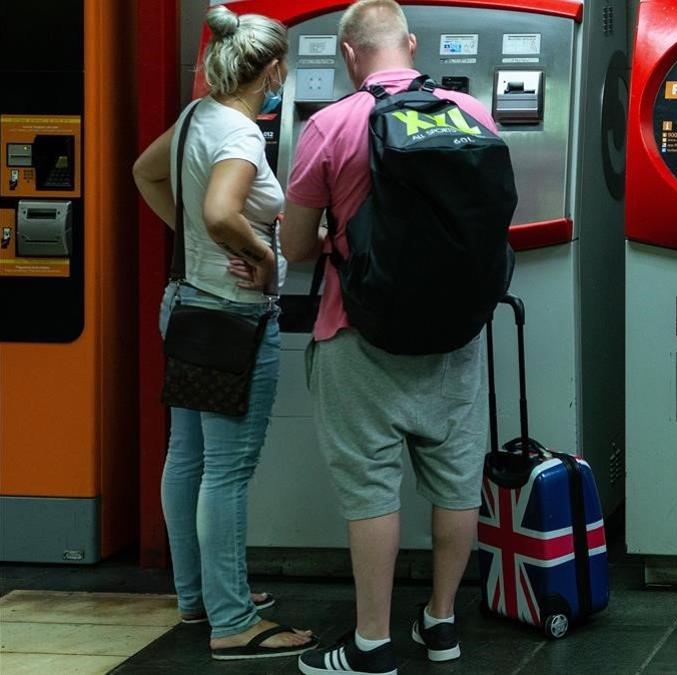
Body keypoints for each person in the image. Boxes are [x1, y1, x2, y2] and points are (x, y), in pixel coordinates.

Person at [281, 1, 499, 673]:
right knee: (456, 481)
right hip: (454, 333)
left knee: (373, 490)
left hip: (358, 331)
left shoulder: (330, 124)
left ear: (349, 54)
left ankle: (371, 641)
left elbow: (295, 246)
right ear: (410, 43)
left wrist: (329, 238)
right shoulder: (475, 114)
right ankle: (440, 623)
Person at [132, 5, 315, 661]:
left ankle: (198, 595)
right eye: (283, 65)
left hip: (183, 302)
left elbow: (144, 173)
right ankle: (234, 620)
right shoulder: (240, 134)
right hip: (231, 317)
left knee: (188, 457)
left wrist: (196, 237)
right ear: (270, 68)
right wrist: (262, 259)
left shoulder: (194, 118)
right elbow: (219, 210)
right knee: (228, 473)